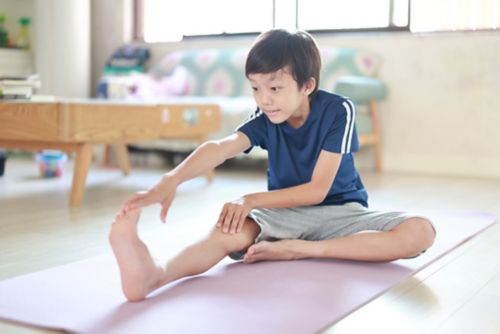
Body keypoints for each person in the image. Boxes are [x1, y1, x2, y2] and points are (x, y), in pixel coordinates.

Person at [109, 29, 436, 302]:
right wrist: (172, 179)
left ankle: (302, 249)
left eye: (275, 88)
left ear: (307, 86)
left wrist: (251, 201)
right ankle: (155, 275)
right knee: (228, 231)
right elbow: (221, 148)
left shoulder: (339, 111)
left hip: (343, 212)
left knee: (420, 231)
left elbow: (317, 190)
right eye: (256, 88)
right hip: (284, 216)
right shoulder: (265, 119)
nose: (264, 99)